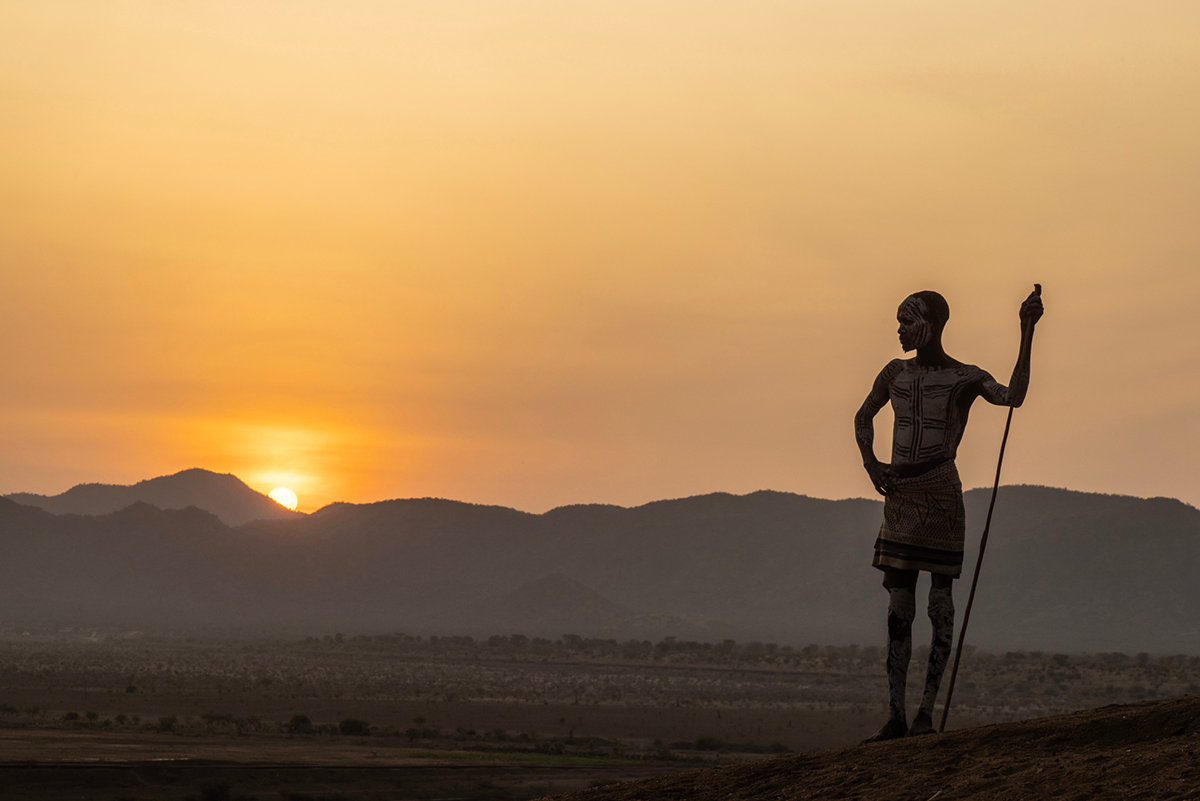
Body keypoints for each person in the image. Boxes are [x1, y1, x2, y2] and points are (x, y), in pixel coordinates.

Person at [854, 285, 1043, 741]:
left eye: (906, 322)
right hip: (900, 495)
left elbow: (1012, 397)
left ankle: (924, 714)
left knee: (939, 605)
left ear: (930, 325)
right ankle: (896, 715)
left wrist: (1026, 332)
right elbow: (862, 418)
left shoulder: (965, 378)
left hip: (940, 495)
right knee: (899, 608)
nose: (899, 330)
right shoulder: (894, 374)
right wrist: (871, 463)